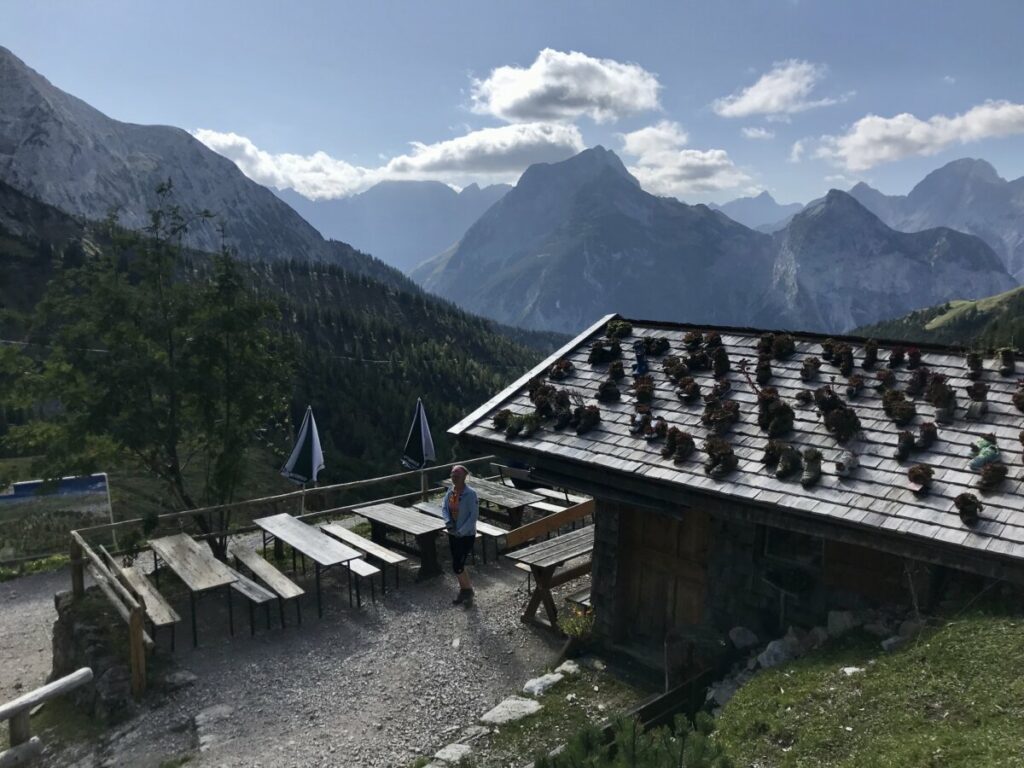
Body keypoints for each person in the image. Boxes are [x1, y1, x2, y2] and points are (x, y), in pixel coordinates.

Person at [442, 464, 478, 605]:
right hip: (453, 532)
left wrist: (461, 531)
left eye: (457, 476)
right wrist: (448, 522)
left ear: (464, 477)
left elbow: (473, 516)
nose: (454, 478)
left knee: (458, 564)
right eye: (452, 476)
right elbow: (445, 508)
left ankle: (467, 591)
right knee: (457, 563)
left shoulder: (471, 494)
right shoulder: (451, 492)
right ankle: (466, 591)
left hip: (466, 535)